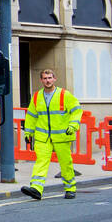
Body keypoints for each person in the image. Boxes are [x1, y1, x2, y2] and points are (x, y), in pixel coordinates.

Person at [21, 68, 82, 200]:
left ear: (54, 79)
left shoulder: (64, 95)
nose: (47, 81)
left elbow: (77, 110)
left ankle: (70, 188)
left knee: (65, 163)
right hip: (43, 137)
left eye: (50, 78)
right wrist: (28, 132)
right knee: (41, 162)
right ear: (41, 80)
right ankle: (36, 188)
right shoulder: (37, 96)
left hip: (62, 136)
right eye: (45, 78)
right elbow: (31, 116)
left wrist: (73, 125)